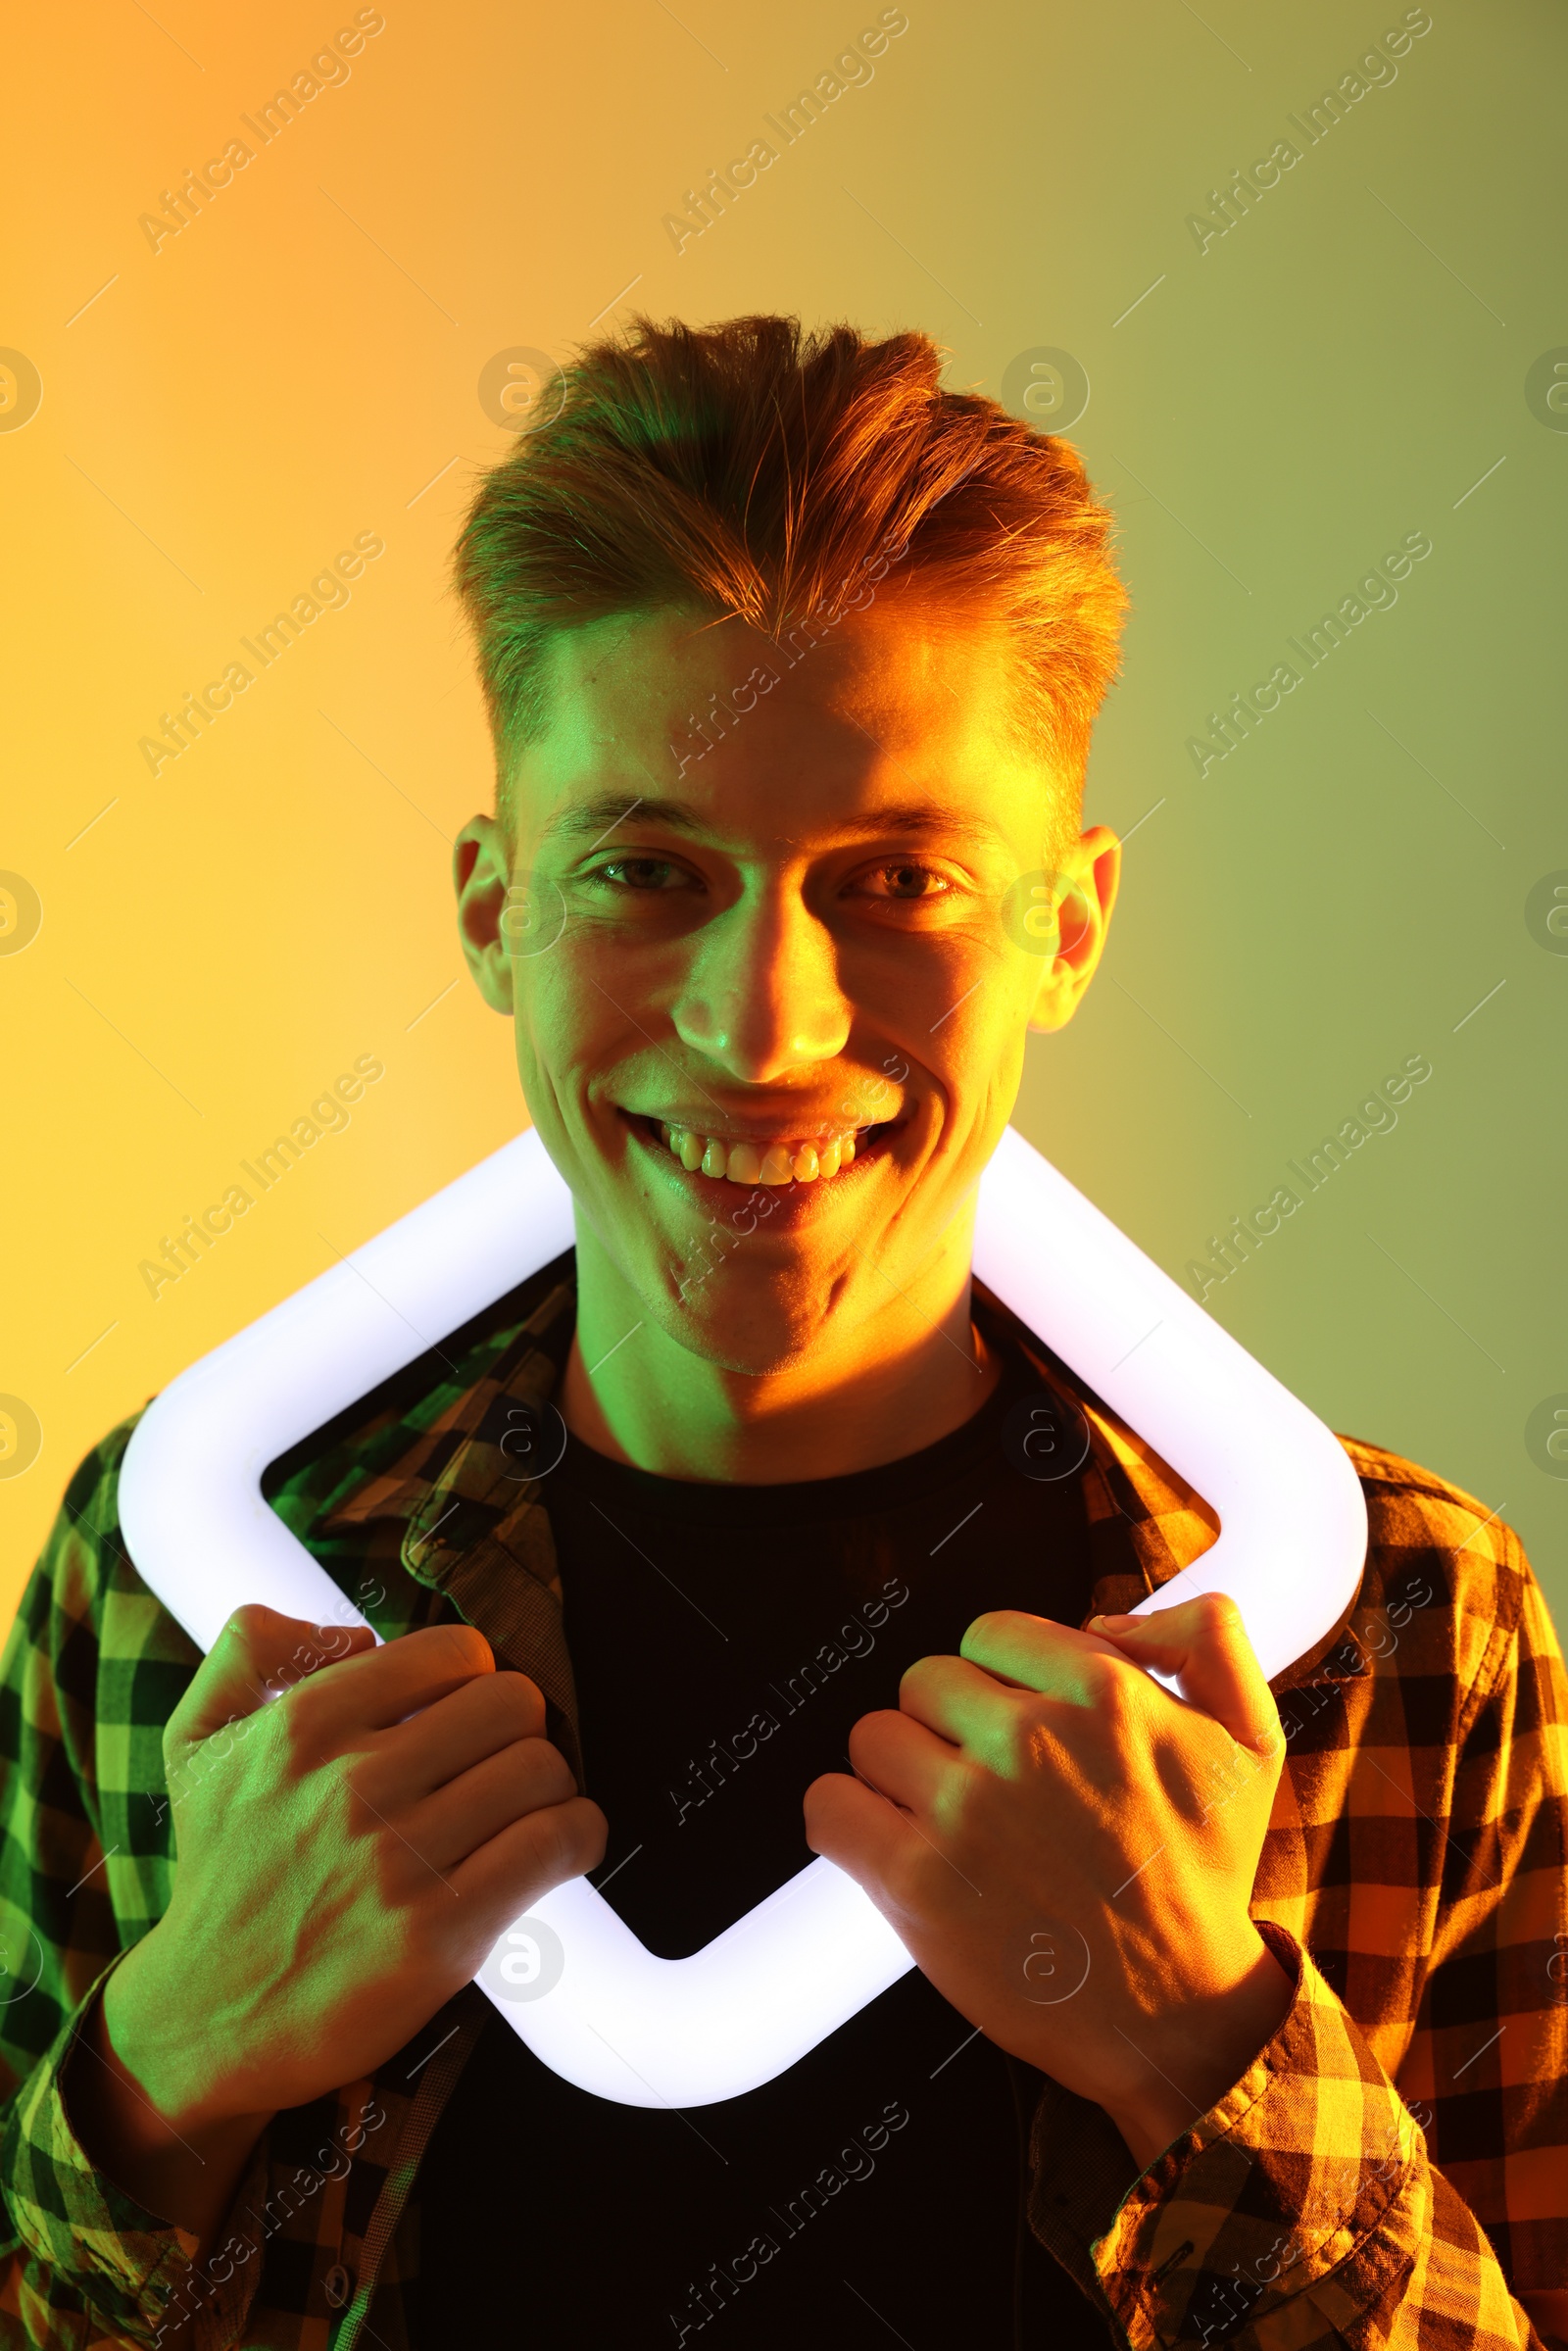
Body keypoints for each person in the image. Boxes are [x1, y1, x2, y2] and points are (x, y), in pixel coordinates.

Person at [1, 315, 1562, 2351]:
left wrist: (1206, 2044)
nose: (761, 1029)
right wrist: (174, 2054)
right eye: (645, 869)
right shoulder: (206, 1568)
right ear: (493, 912)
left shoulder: (1385, 1628)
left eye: (894, 879)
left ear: (1063, 929)